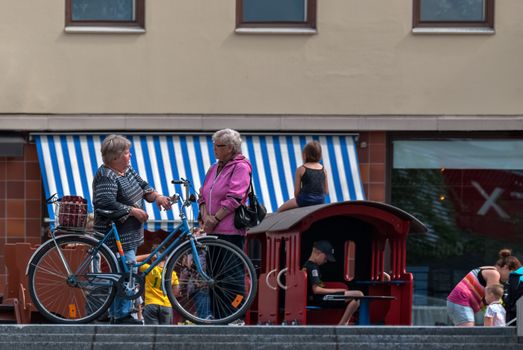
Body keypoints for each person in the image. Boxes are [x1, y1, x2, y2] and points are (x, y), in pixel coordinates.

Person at [92, 134, 172, 325]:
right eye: (127, 153)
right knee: (126, 273)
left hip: (130, 235)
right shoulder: (106, 175)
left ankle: (117, 313)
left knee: (125, 272)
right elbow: (105, 202)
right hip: (115, 234)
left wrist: (158, 197)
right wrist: (132, 211)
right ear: (115, 157)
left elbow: (144, 187)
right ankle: (121, 315)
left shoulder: (126, 170)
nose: (130, 156)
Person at [198, 128, 251, 250]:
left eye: (218, 146)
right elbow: (202, 195)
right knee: (213, 269)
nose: (214, 149)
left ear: (230, 148)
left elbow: (235, 198)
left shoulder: (241, 167)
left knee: (230, 268)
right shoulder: (213, 168)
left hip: (230, 231)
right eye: (214, 145)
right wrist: (206, 217)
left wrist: (215, 219)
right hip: (212, 230)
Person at [447, 249, 521, 326]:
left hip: (458, 302)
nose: (511, 278)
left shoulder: (489, 269)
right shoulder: (494, 274)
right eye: (512, 274)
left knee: (465, 333)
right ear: (505, 267)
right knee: (466, 333)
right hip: (460, 302)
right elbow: (493, 298)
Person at [302, 240, 364, 325]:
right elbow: (316, 290)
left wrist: (340, 291)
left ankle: (343, 324)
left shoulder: (310, 266)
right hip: (321, 299)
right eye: (325, 258)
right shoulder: (312, 267)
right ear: (318, 252)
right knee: (359, 294)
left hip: (322, 297)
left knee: (356, 300)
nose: (326, 261)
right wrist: (338, 290)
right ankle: (341, 326)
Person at [278, 140, 328, 212]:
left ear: (305, 154)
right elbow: (326, 191)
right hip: (320, 201)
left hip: (304, 200)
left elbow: (296, 193)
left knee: (280, 210)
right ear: (319, 154)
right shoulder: (323, 170)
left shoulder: (301, 169)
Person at [137, 245, 179, 325]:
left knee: (152, 334)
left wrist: (149, 255)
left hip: (151, 304)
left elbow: (132, 260)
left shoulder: (148, 268)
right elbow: (176, 291)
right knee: (165, 335)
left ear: (153, 258)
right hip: (166, 305)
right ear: (166, 258)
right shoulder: (172, 274)